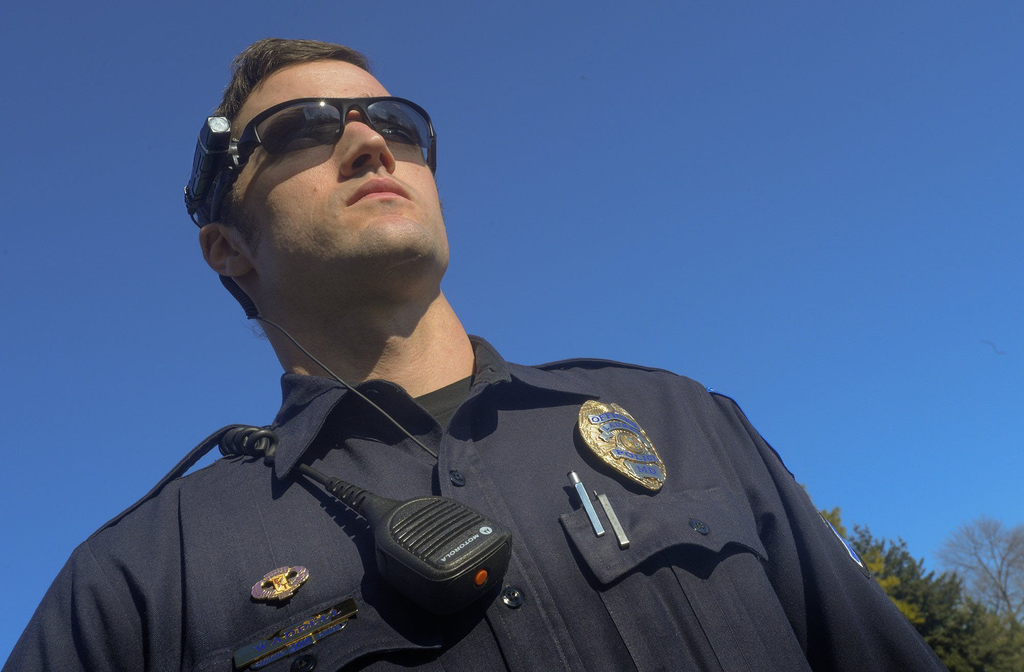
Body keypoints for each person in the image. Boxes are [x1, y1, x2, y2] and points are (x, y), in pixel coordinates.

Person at [5, 38, 947, 672]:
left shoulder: (682, 420)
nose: (371, 140)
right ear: (229, 248)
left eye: (397, 123)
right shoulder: (134, 583)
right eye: (303, 129)